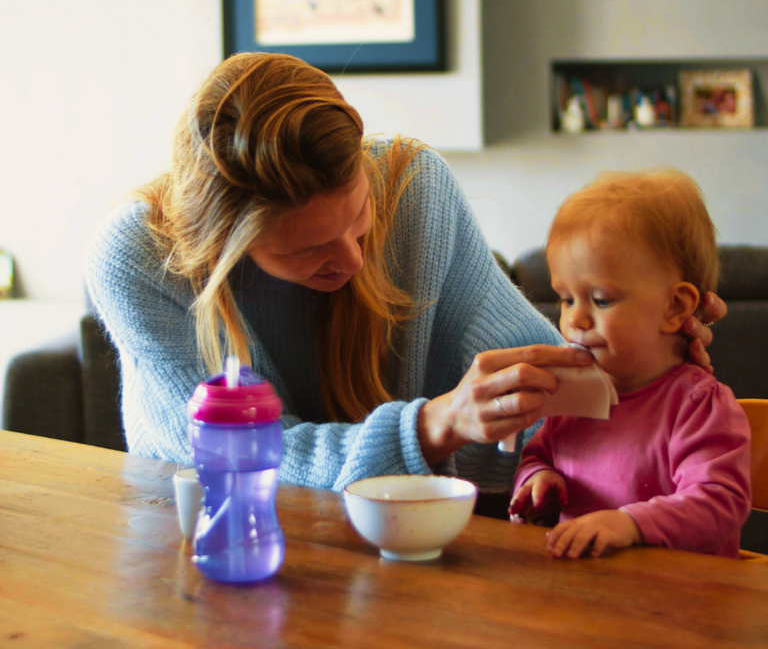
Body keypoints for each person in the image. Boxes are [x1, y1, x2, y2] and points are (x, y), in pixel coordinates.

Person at [86, 53, 725, 494]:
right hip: (212, 558)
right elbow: (244, 462)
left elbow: (546, 404)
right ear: (223, 242)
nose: (354, 260)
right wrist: (431, 427)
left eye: (358, 217)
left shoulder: (409, 187)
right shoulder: (140, 258)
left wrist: (646, 358)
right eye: (305, 252)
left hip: (397, 561)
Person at [509, 169, 750, 558]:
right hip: (585, 598)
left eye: (601, 300)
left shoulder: (698, 405)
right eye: (567, 299)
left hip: (680, 604)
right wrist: (538, 479)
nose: (576, 321)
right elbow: (537, 454)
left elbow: (720, 503)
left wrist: (628, 523)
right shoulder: (572, 396)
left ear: (675, 307)